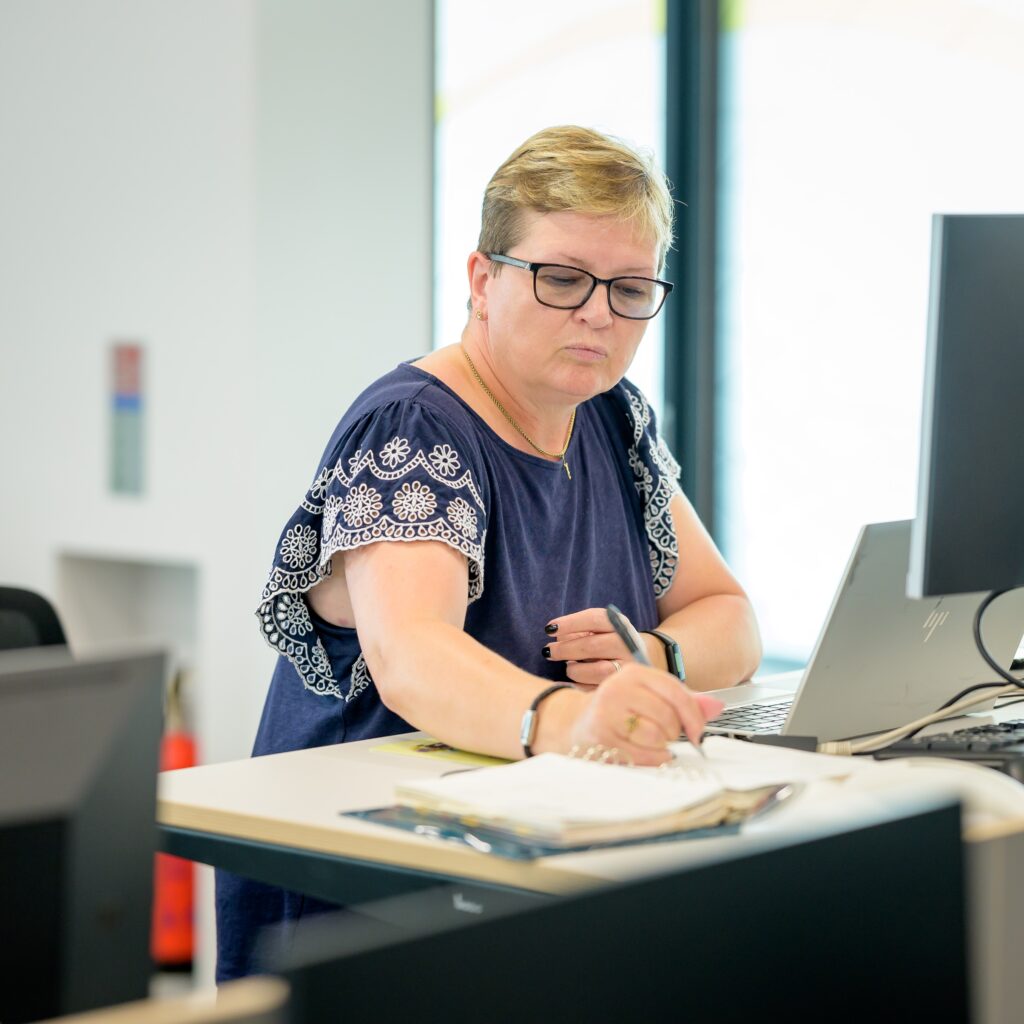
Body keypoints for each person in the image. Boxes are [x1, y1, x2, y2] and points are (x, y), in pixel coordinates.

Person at [216, 125, 762, 981]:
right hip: (364, 889)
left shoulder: (613, 420)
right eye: (561, 278)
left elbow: (729, 617)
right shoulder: (415, 427)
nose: (597, 313)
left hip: (524, 850)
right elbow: (412, 657)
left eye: (628, 288)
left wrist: (649, 658)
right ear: (482, 278)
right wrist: (570, 720)